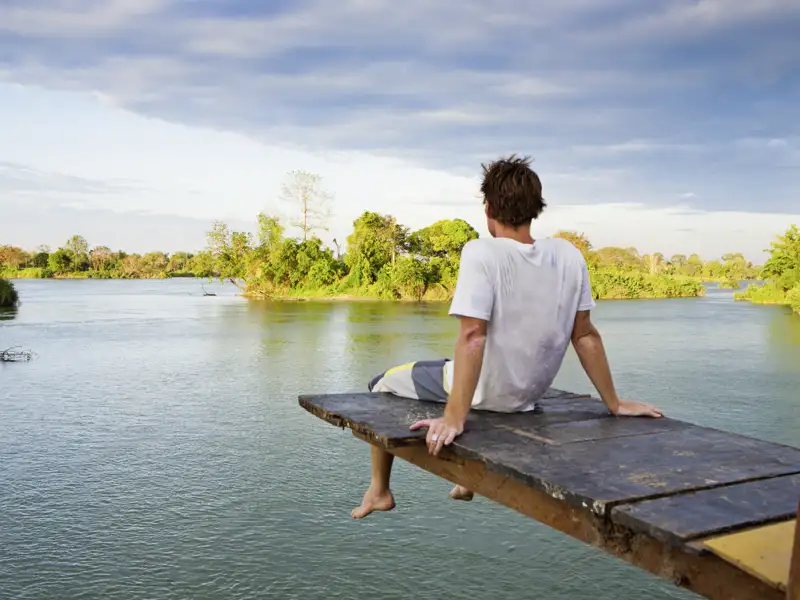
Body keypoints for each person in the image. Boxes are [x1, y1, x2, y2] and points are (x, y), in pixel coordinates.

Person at [352, 155, 663, 519]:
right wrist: (615, 402)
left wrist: (454, 417)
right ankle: (466, 479)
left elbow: (472, 336)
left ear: (488, 209)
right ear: (536, 208)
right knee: (447, 368)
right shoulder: (568, 255)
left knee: (381, 383)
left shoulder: (481, 252)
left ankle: (379, 490)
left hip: (488, 394)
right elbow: (586, 336)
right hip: (528, 396)